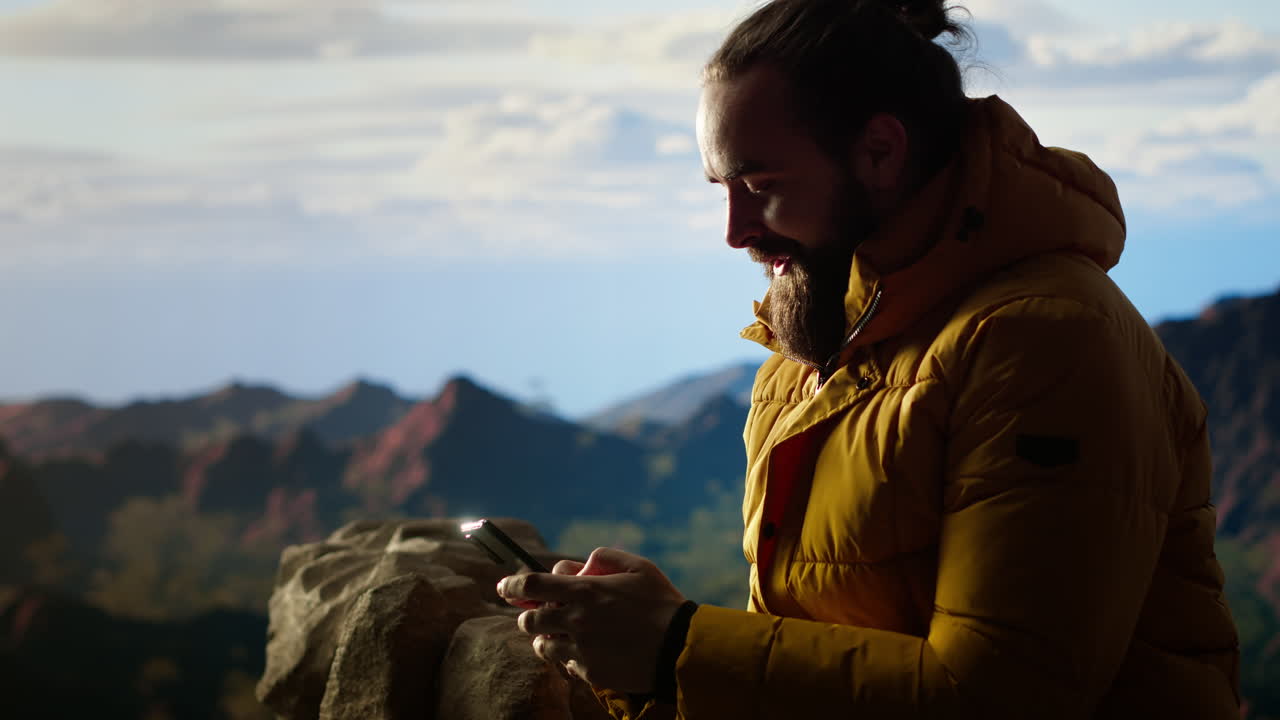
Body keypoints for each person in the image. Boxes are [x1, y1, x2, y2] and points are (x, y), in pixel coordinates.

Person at [498, 0, 1242, 717]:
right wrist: (641, 654)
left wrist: (676, 645)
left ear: (881, 152)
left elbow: (1006, 696)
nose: (734, 230)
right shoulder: (804, 362)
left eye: (761, 185)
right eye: (722, 189)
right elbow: (802, 668)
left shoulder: (1047, 341)